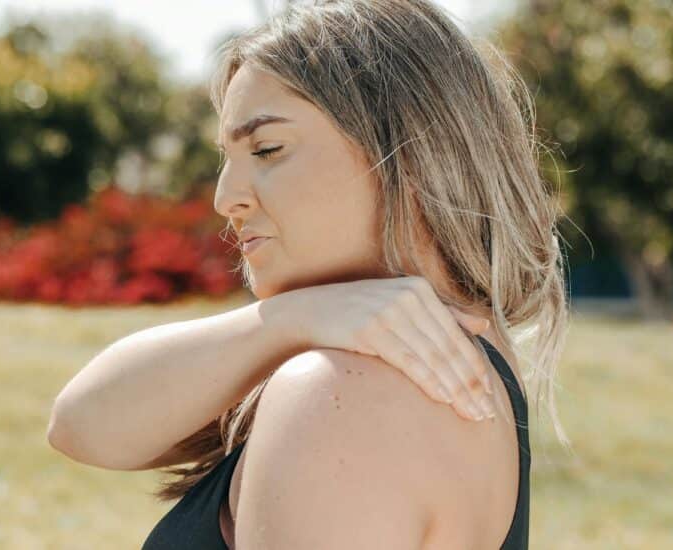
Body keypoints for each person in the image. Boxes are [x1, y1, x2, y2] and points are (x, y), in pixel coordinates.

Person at [48, 0, 570, 547]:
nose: (226, 198)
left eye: (267, 149)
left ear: (406, 154)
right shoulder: (458, 364)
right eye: (227, 158)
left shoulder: (339, 394)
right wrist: (288, 320)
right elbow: (81, 425)